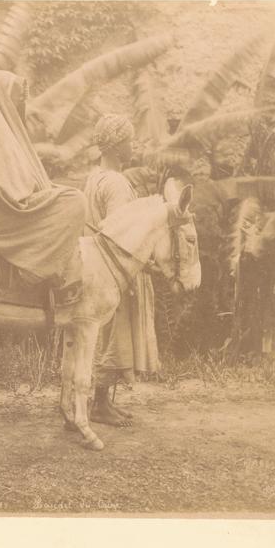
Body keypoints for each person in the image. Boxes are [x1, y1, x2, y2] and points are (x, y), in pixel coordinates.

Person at [0, 71, 86, 288]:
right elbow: (11, 190)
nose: (20, 105)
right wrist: (46, 193)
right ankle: (34, 272)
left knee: (67, 195)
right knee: (75, 201)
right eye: (16, 99)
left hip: (1, 206)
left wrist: (48, 191)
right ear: (1, 99)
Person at [83, 114, 160, 426]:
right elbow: (121, 232)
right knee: (113, 335)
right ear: (116, 147)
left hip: (97, 267)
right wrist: (145, 263)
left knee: (106, 335)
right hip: (114, 271)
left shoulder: (96, 177)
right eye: (129, 141)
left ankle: (103, 402)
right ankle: (99, 404)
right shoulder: (115, 183)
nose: (133, 147)